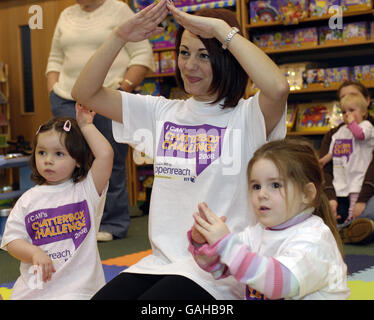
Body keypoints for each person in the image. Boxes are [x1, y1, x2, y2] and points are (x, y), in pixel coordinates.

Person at [72, 0, 289, 300]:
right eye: (184, 53)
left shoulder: (250, 116)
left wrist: (221, 30)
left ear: (227, 60)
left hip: (220, 274)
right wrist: (119, 36)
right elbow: (84, 92)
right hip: (160, 264)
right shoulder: (161, 112)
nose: (189, 65)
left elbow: (277, 87)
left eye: (204, 56)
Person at [46, 0, 156, 241]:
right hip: (66, 97)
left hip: (106, 96)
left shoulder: (119, 9)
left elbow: (141, 54)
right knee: (68, 163)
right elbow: (55, 58)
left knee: (110, 160)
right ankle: (72, 222)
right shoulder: (66, 14)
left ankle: (113, 223)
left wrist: (124, 86)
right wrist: (52, 89)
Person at [189, 139, 350, 300]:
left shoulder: (314, 240)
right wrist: (205, 244)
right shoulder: (256, 233)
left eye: (275, 185)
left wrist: (227, 245)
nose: (262, 194)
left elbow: (279, 284)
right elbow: (220, 267)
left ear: (306, 194)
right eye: (256, 186)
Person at [0, 104, 113, 299]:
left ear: (77, 159)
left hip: (80, 291)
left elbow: (106, 155)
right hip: (33, 292)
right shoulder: (28, 200)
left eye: (58, 154)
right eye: (41, 152)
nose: (48, 160)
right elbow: (12, 240)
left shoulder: (87, 189)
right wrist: (33, 253)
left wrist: (86, 125)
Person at [320, 81, 374, 244]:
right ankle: (346, 228)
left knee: (363, 212)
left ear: (366, 103)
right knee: (331, 209)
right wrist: (327, 158)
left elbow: (360, 135)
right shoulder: (337, 132)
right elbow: (336, 149)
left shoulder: (367, 127)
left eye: (352, 108)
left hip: (365, 185)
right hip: (341, 185)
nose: (347, 114)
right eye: (344, 110)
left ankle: (349, 228)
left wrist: (363, 200)